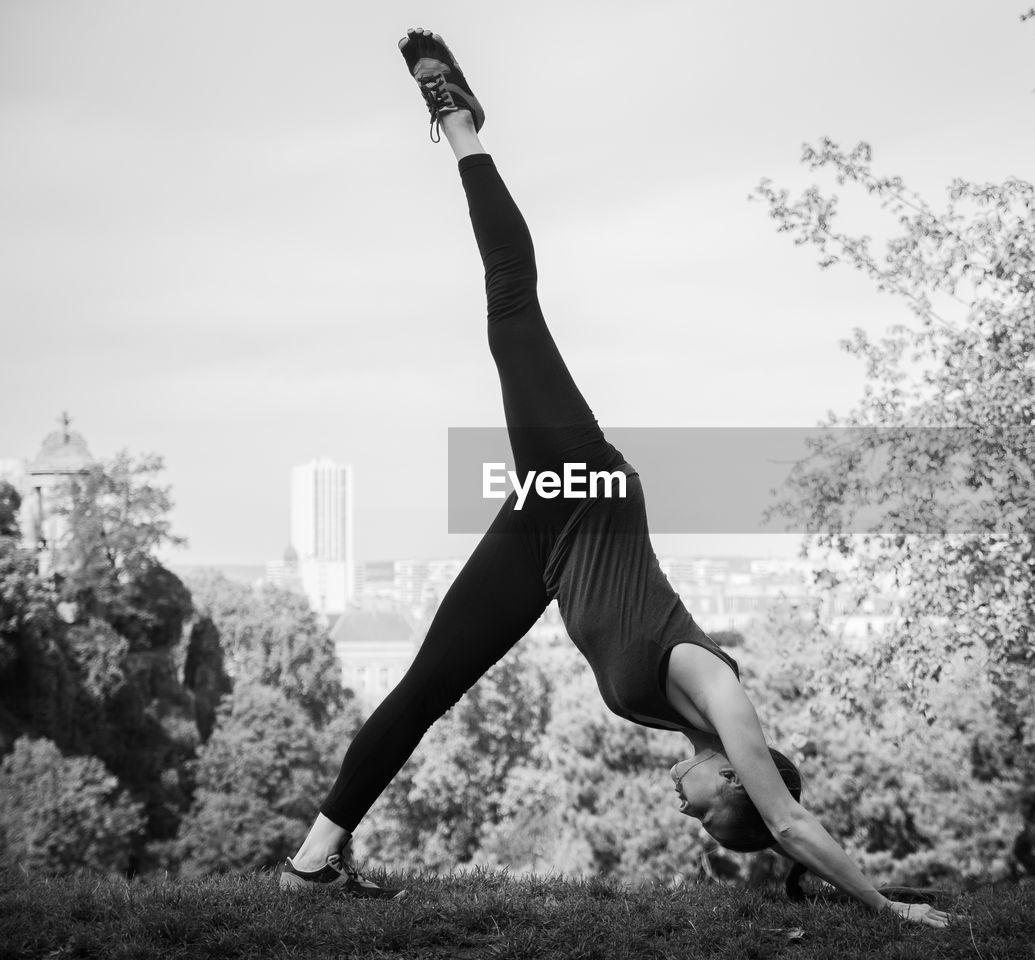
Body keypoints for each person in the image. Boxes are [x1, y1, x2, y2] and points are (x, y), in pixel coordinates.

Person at [277, 28, 952, 930]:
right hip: (585, 490)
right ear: (735, 779)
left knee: (429, 685)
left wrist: (831, 885)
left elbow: (777, 824)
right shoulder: (718, 697)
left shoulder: (695, 727)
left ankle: (313, 863)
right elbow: (789, 820)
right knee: (511, 297)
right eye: (711, 809)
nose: (686, 809)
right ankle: (462, 122)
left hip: (549, 543)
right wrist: (886, 909)